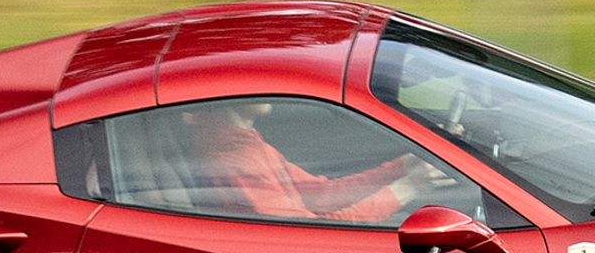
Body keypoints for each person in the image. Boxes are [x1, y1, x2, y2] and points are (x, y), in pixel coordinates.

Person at [185, 102, 439, 222]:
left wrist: (401, 167)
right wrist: (407, 189)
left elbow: (320, 194)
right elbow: (318, 232)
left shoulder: (244, 141)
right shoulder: (237, 161)